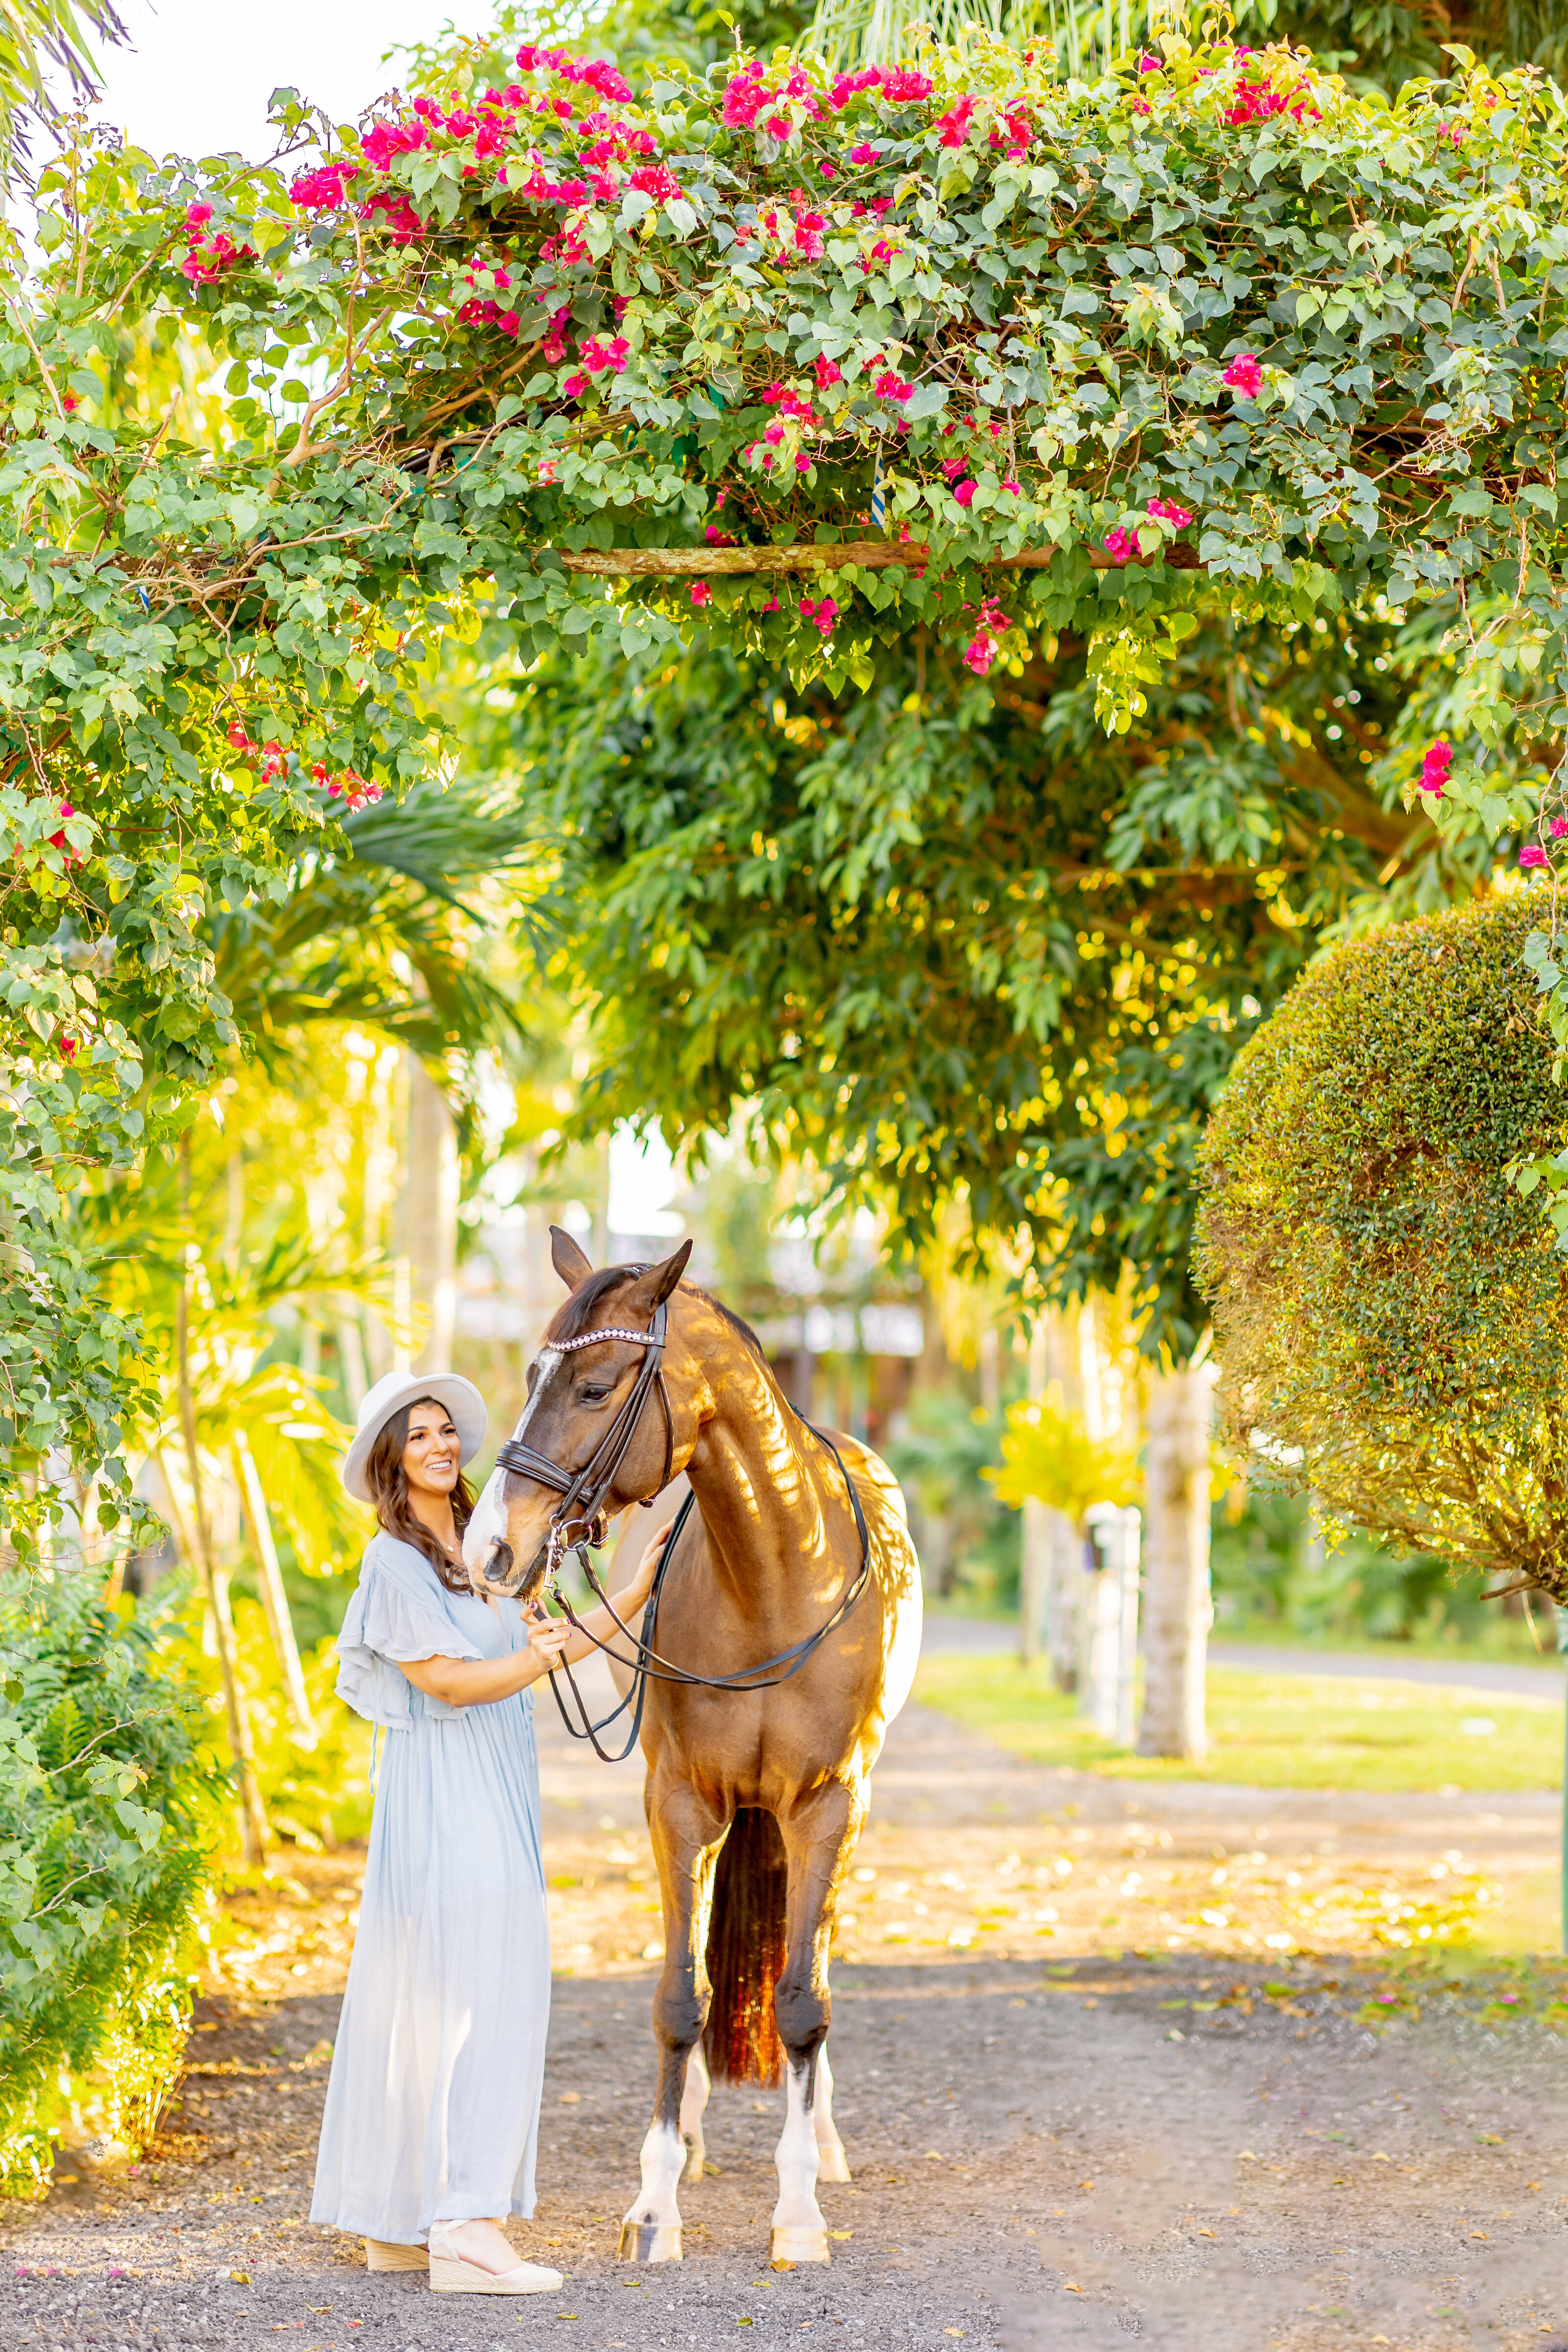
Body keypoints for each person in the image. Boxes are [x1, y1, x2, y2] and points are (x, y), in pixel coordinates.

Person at [310, 1366, 671, 2296]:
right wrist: (537, 1655)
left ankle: (401, 2223)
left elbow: (545, 1643)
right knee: (490, 1989)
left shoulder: (480, 1550)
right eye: (416, 1434)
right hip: (445, 1792)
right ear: (391, 1457)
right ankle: (468, 2228)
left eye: (444, 1431)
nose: (438, 1445)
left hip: (491, 1784)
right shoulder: (390, 1563)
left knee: (440, 1999)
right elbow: (448, 1683)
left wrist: (631, 1591)